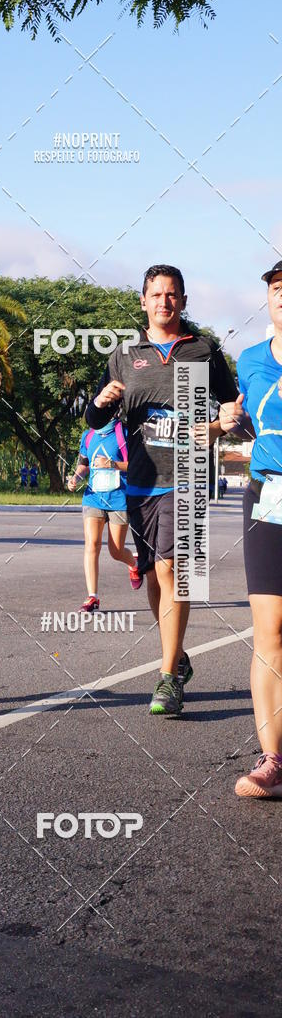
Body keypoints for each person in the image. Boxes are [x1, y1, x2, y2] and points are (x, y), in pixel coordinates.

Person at [86, 264, 238, 716]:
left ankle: (168, 677)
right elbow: (95, 419)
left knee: (175, 569)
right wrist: (99, 403)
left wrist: (216, 427)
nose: (164, 302)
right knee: (154, 575)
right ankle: (179, 656)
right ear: (143, 302)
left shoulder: (204, 351)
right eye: (156, 295)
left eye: (172, 295)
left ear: (184, 302)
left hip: (188, 477)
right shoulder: (124, 354)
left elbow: (232, 409)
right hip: (140, 482)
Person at [231, 260, 282, 796]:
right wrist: (225, 420)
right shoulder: (249, 361)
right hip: (268, 495)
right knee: (269, 631)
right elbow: (238, 418)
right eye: (276, 288)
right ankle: (273, 760)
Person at [67, 418, 141, 612]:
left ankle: (134, 564)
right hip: (93, 498)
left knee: (115, 550)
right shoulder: (88, 435)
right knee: (92, 544)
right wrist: (75, 477)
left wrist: (113, 464)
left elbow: (137, 465)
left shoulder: (125, 432)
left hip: (119, 498)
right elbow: (84, 464)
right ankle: (92, 597)